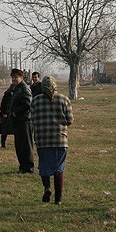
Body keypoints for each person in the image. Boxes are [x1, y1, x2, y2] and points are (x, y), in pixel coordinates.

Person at [31, 76, 74, 204]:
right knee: (59, 169)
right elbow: (70, 120)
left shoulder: (36, 100)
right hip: (60, 140)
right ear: (55, 86)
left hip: (42, 140)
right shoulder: (64, 99)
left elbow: (32, 119)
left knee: (44, 166)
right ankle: (58, 199)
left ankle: (47, 187)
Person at [7, 68, 34, 173]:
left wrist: (15, 112)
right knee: (19, 146)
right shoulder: (16, 87)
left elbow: (28, 104)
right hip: (18, 122)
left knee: (26, 146)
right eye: (12, 77)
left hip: (25, 121)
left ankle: (28, 167)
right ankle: (23, 166)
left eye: (16, 77)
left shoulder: (24, 88)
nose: (14, 79)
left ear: (21, 78)